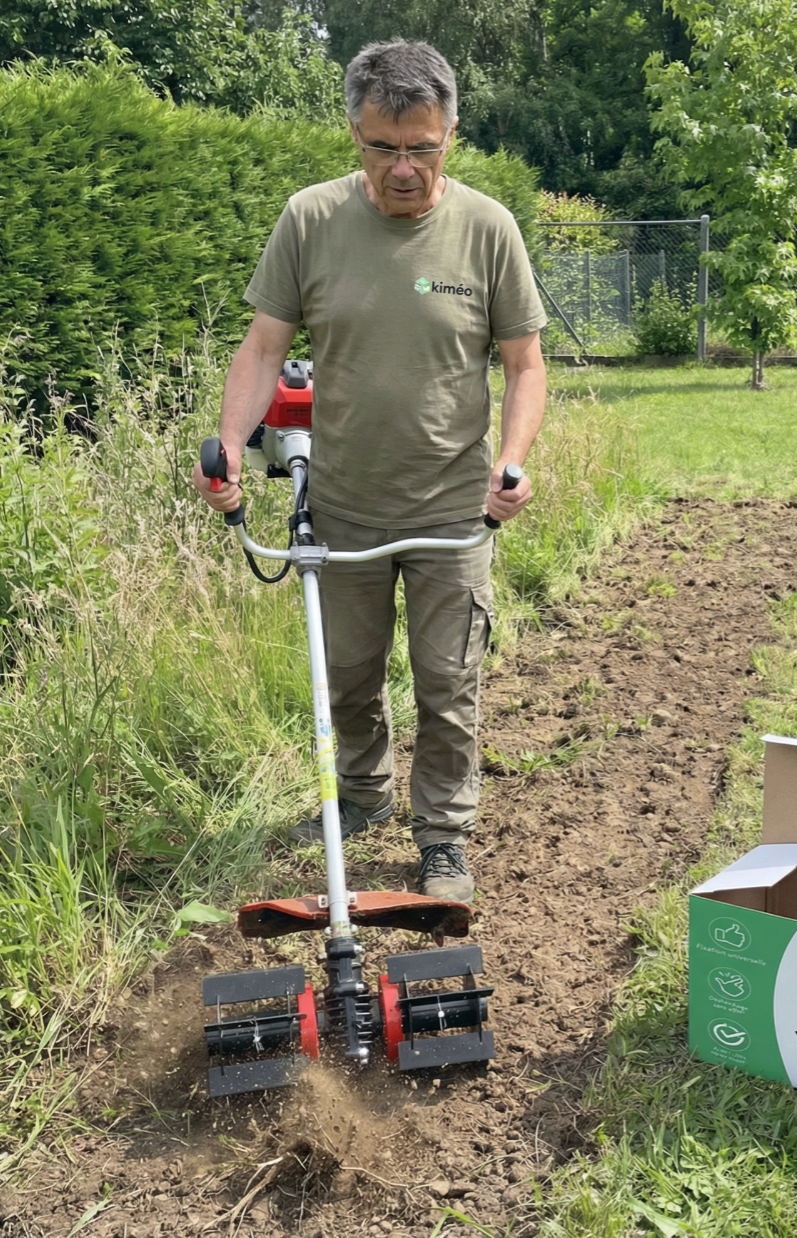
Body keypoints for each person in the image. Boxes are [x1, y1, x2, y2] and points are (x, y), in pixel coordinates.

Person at [192, 40, 547, 902]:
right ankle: (361, 793)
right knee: (347, 673)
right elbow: (263, 348)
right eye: (381, 147)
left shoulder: (488, 228)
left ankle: (443, 835)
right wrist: (231, 443)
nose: (401, 169)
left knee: (448, 682)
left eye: (421, 148)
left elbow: (526, 365)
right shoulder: (310, 220)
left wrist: (511, 462)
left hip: (455, 509)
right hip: (344, 504)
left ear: (450, 135)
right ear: (355, 132)